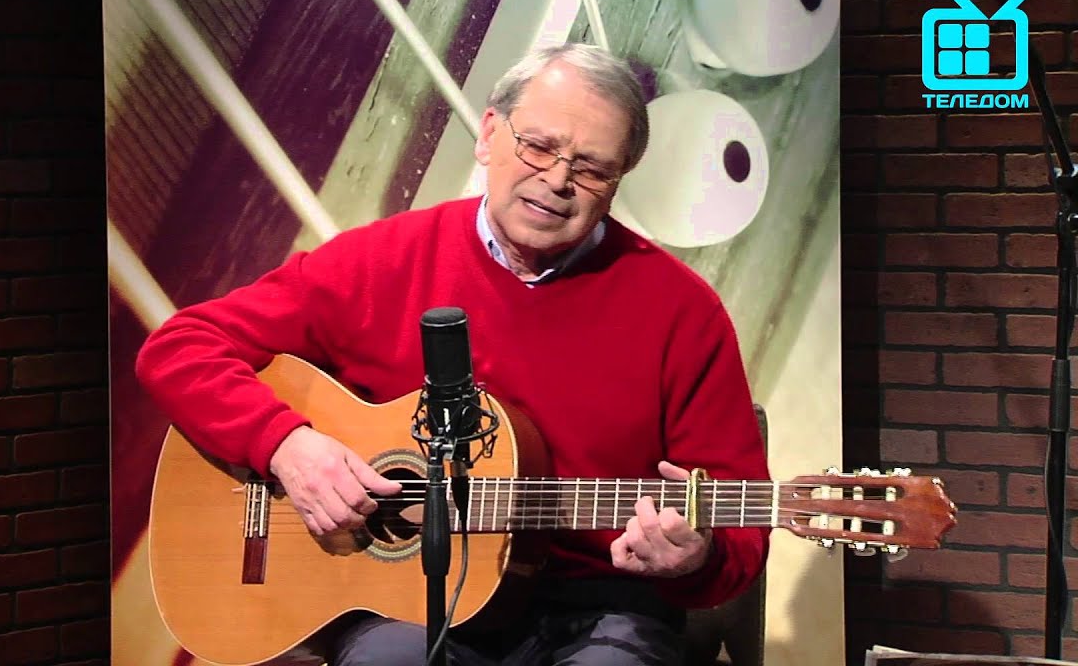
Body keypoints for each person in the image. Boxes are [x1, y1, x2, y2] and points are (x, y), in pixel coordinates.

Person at [135, 42, 771, 666]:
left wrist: (699, 558)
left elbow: (742, 522)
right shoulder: (383, 261)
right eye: (538, 146)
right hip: (408, 604)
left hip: (601, 608)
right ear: (489, 133)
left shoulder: (683, 312)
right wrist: (285, 446)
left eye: (591, 168)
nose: (556, 181)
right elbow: (180, 349)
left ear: (618, 180)